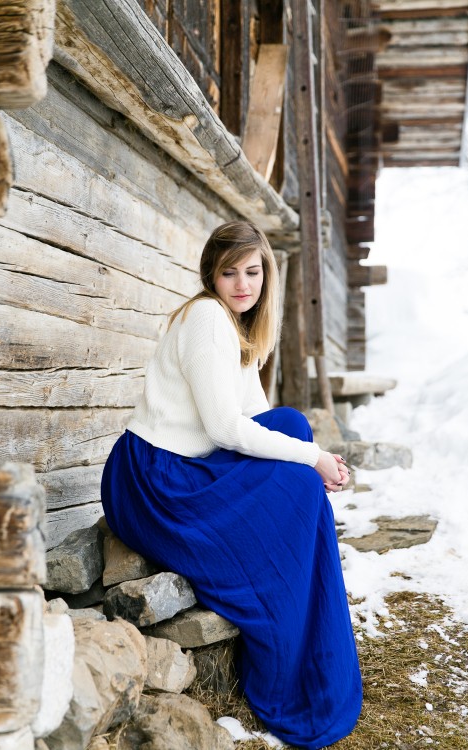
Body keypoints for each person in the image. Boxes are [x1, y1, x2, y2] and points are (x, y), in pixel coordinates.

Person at [101, 220, 362, 749]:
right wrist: (310, 459)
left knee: (291, 427)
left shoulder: (238, 325)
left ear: (265, 273)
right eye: (229, 272)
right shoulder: (205, 318)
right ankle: (289, 656)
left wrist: (309, 457)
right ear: (211, 275)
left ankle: (306, 625)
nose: (243, 283)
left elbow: (260, 418)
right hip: (152, 479)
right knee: (300, 471)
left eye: (253, 271)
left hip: (181, 469)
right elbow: (225, 429)